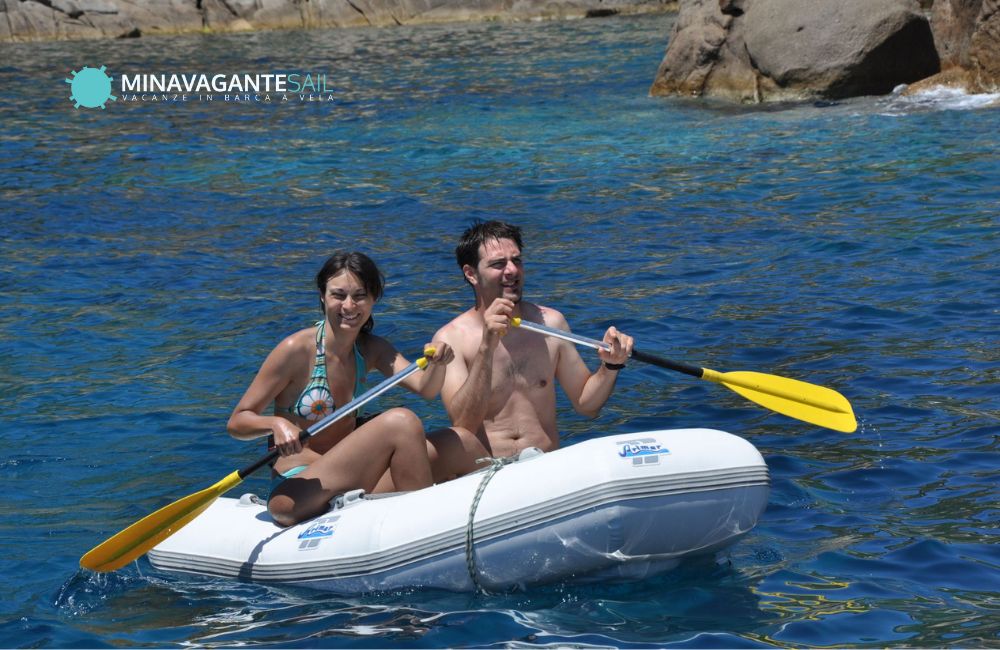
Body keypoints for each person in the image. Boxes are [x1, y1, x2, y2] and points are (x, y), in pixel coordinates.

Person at [227, 252, 457, 527]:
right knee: (402, 421)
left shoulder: (371, 349)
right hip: (298, 489)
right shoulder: (296, 350)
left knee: (459, 442)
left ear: (373, 299)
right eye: (339, 295)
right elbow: (237, 422)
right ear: (323, 296)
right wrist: (275, 424)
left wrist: (438, 363)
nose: (349, 305)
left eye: (360, 296)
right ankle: (425, 528)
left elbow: (426, 388)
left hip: (349, 477)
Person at [429, 220, 634, 472]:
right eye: (498, 264)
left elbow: (586, 405)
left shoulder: (550, 323)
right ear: (471, 274)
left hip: (545, 467)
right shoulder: (452, 338)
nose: (512, 270)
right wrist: (487, 348)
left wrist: (610, 366)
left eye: (517, 261)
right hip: (487, 472)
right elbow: (463, 426)